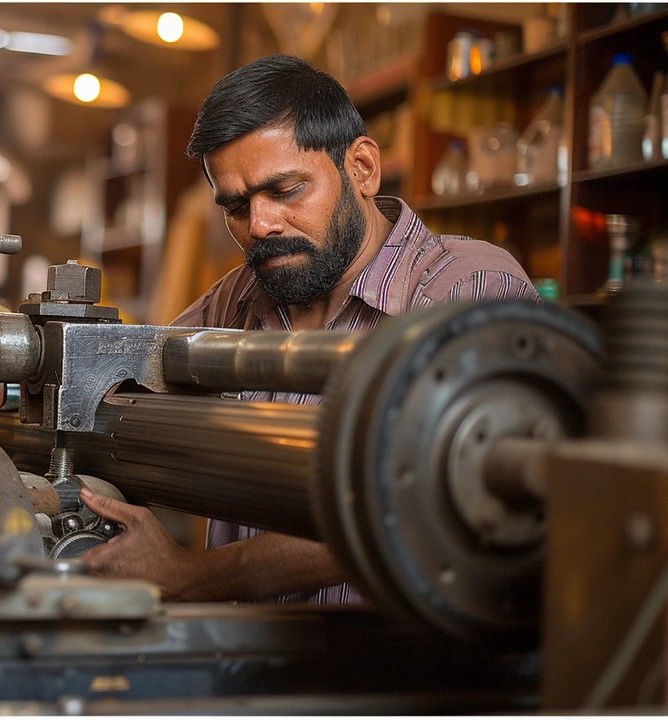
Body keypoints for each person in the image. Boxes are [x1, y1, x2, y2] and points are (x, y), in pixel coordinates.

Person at [78, 54, 539, 604]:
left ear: (362, 168)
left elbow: (422, 506)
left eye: (286, 190)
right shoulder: (241, 295)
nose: (260, 225)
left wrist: (189, 576)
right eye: (236, 206)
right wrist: (13, 378)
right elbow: (118, 379)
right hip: (246, 668)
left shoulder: (465, 290)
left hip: (410, 674)